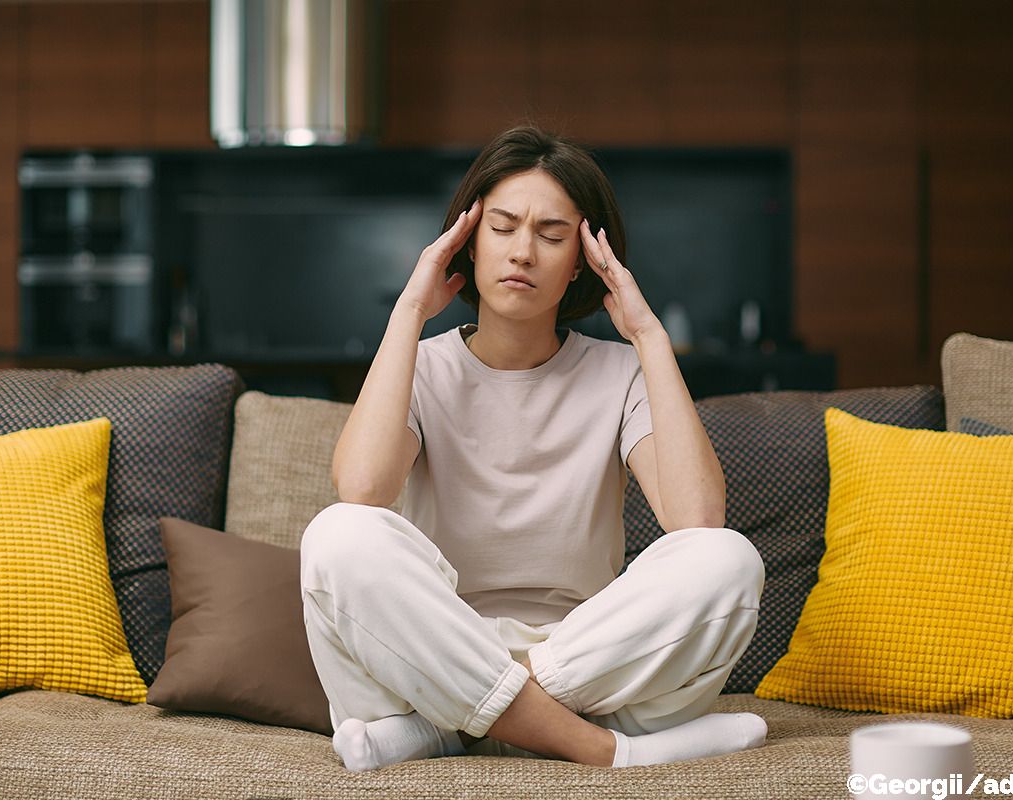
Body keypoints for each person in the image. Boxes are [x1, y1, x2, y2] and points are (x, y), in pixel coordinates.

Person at [300, 126, 767, 772]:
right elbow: (363, 489)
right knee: (338, 535)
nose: (523, 251)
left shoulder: (619, 371)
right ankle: (601, 749)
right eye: (502, 227)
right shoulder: (421, 367)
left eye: (551, 236)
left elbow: (695, 518)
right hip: (431, 648)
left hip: (586, 663)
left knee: (729, 559)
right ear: (467, 240)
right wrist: (409, 309)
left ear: (580, 261)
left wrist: (650, 336)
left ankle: (448, 731)